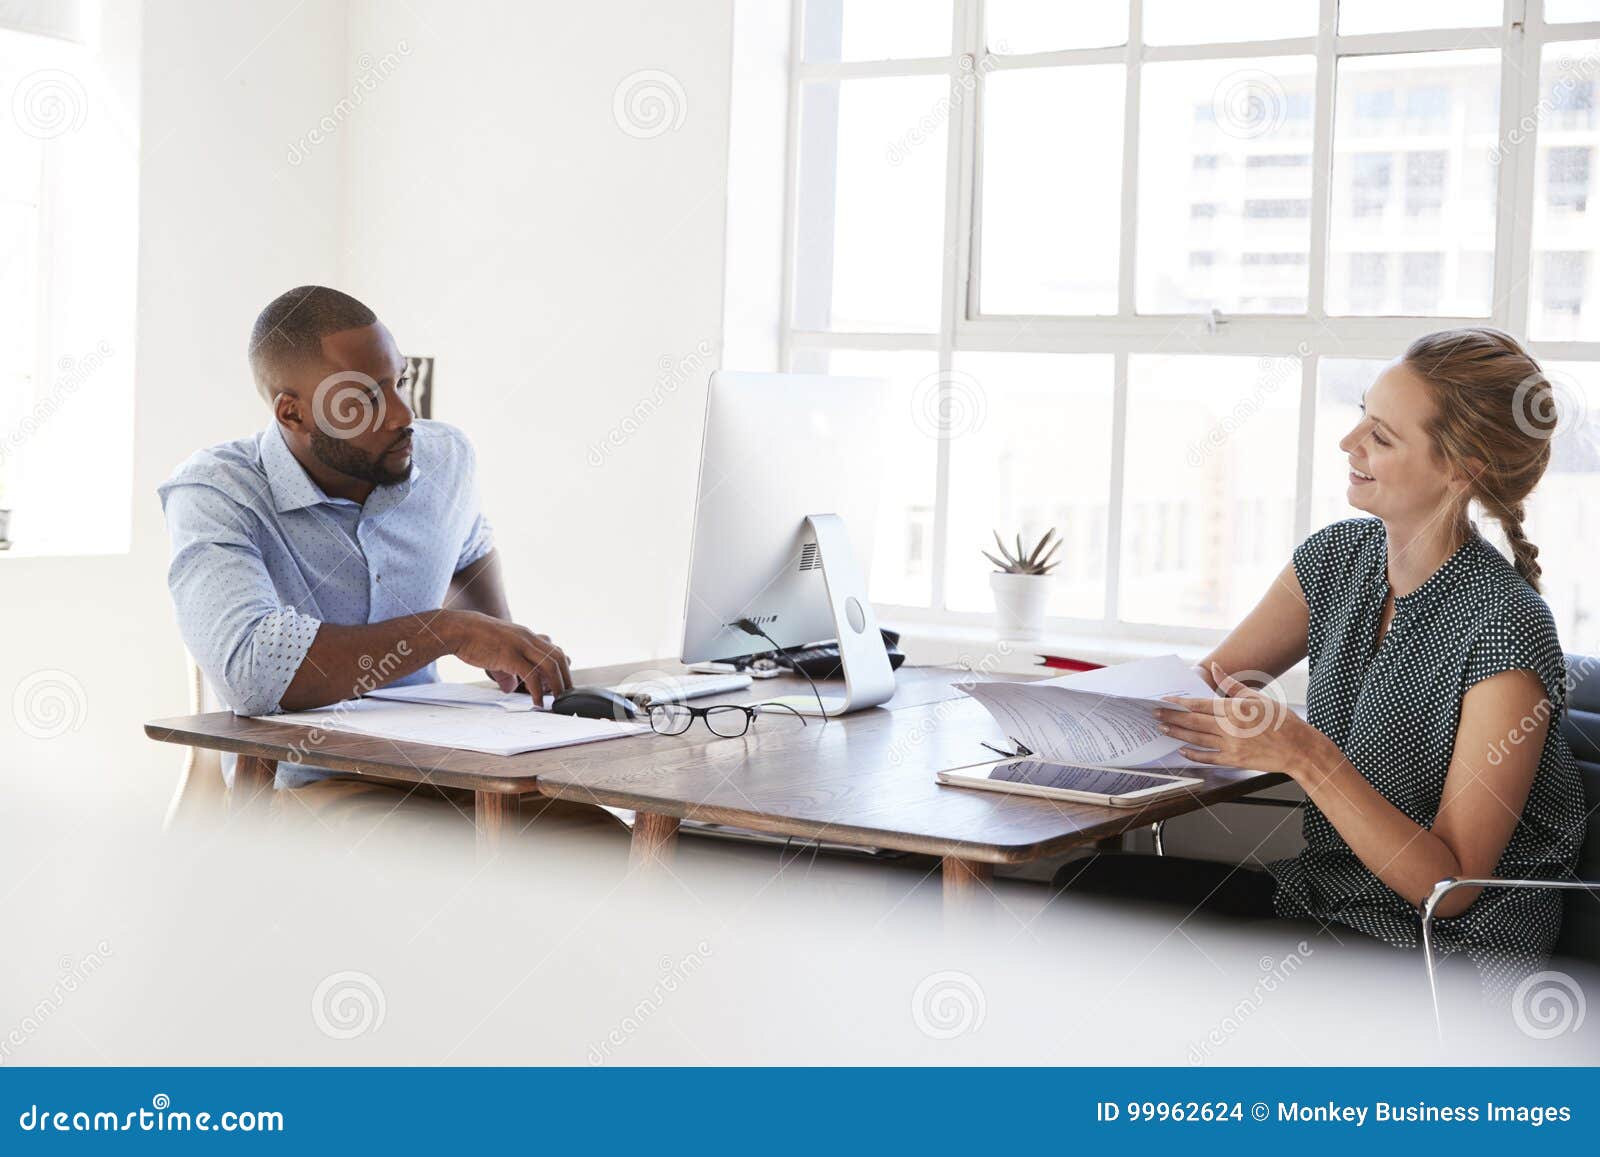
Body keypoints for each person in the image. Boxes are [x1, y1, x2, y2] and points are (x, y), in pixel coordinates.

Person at [1058, 327, 1586, 996]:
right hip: (1320, 903)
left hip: (1442, 954)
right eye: (1362, 416)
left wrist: (1305, 754)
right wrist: (1074, 719)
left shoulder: (1505, 626)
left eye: (1383, 436)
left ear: (1462, 469)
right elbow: (1202, 691)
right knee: (1089, 887)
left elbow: (1450, 889)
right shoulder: (1336, 558)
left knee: (1142, 954)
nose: (1348, 444)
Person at [158, 285, 575, 795]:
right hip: (313, 782)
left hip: (446, 765)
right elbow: (253, 671)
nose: (403, 415)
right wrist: (452, 631)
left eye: (401, 381)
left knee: (619, 847)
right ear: (292, 413)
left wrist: (504, 647)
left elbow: (466, 552)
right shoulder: (216, 492)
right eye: (365, 399)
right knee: (526, 866)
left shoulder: (446, 458)